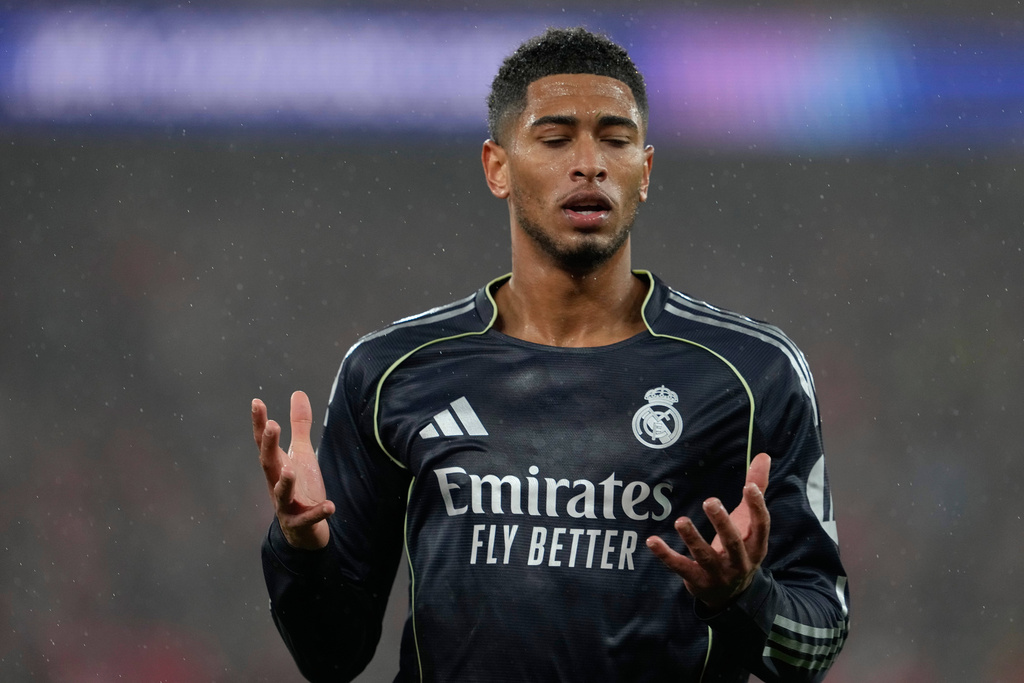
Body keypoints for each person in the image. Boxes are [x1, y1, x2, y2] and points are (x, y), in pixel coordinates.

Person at [253, 27, 849, 683]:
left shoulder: (751, 372)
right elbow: (331, 656)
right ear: (498, 168)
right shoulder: (393, 370)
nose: (590, 163)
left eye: (615, 140)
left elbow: (817, 641)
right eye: (556, 138)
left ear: (645, 172)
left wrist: (743, 595)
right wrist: (301, 548)